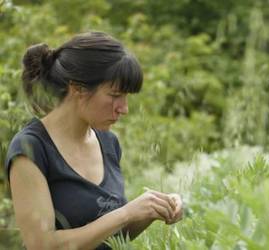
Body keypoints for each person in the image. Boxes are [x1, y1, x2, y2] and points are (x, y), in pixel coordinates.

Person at [5, 32, 183, 250]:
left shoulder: (108, 143)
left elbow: (111, 237)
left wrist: (151, 209)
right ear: (78, 88)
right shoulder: (30, 148)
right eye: (115, 95)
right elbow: (42, 245)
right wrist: (125, 213)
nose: (124, 108)